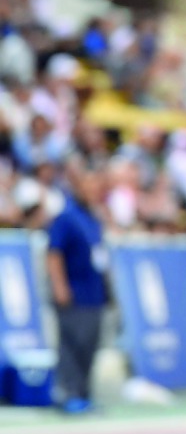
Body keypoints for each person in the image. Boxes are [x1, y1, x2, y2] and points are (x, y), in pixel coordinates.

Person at [46, 166, 110, 414]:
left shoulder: (93, 218)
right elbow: (54, 254)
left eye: (97, 186)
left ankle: (84, 393)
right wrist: (60, 286)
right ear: (78, 187)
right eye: (88, 185)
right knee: (72, 345)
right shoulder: (66, 217)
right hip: (74, 292)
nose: (93, 190)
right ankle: (69, 394)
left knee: (90, 346)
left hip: (94, 294)